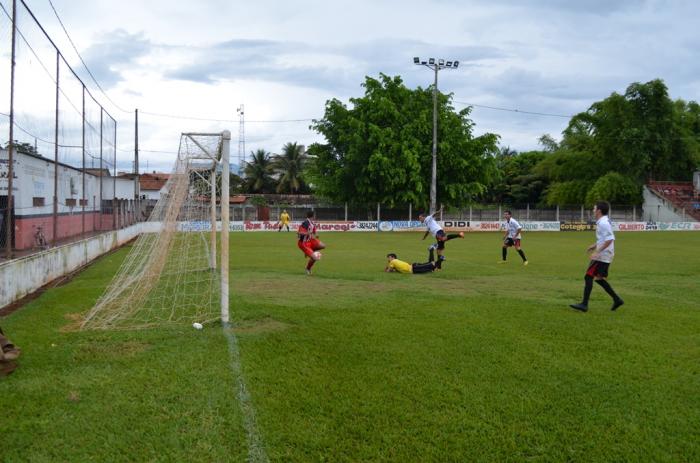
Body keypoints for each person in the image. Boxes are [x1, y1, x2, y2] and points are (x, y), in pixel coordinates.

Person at [570, 201, 624, 312]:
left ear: (599, 210)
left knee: (588, 276)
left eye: (594, 209)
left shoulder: (603, 223)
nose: (593, 210)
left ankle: (584, 305)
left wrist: (597, 251)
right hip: (606, 254)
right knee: (599, 279)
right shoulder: (603, 221)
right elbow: (604, 238)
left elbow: (610, 239)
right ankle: (617, 299)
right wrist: (594, 245)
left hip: (603, 255)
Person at [297, 210, 326, 275]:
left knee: (323, 245)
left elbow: (314, 231)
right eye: (314, 215)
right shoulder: (305, 223)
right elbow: (299, 232)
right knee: (315, 258)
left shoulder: (312, 223)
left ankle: (310, 252)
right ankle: (308, 269)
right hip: (303, 243)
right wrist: (307, 233)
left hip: (311, 240)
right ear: (313, 216)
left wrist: (316, 234)